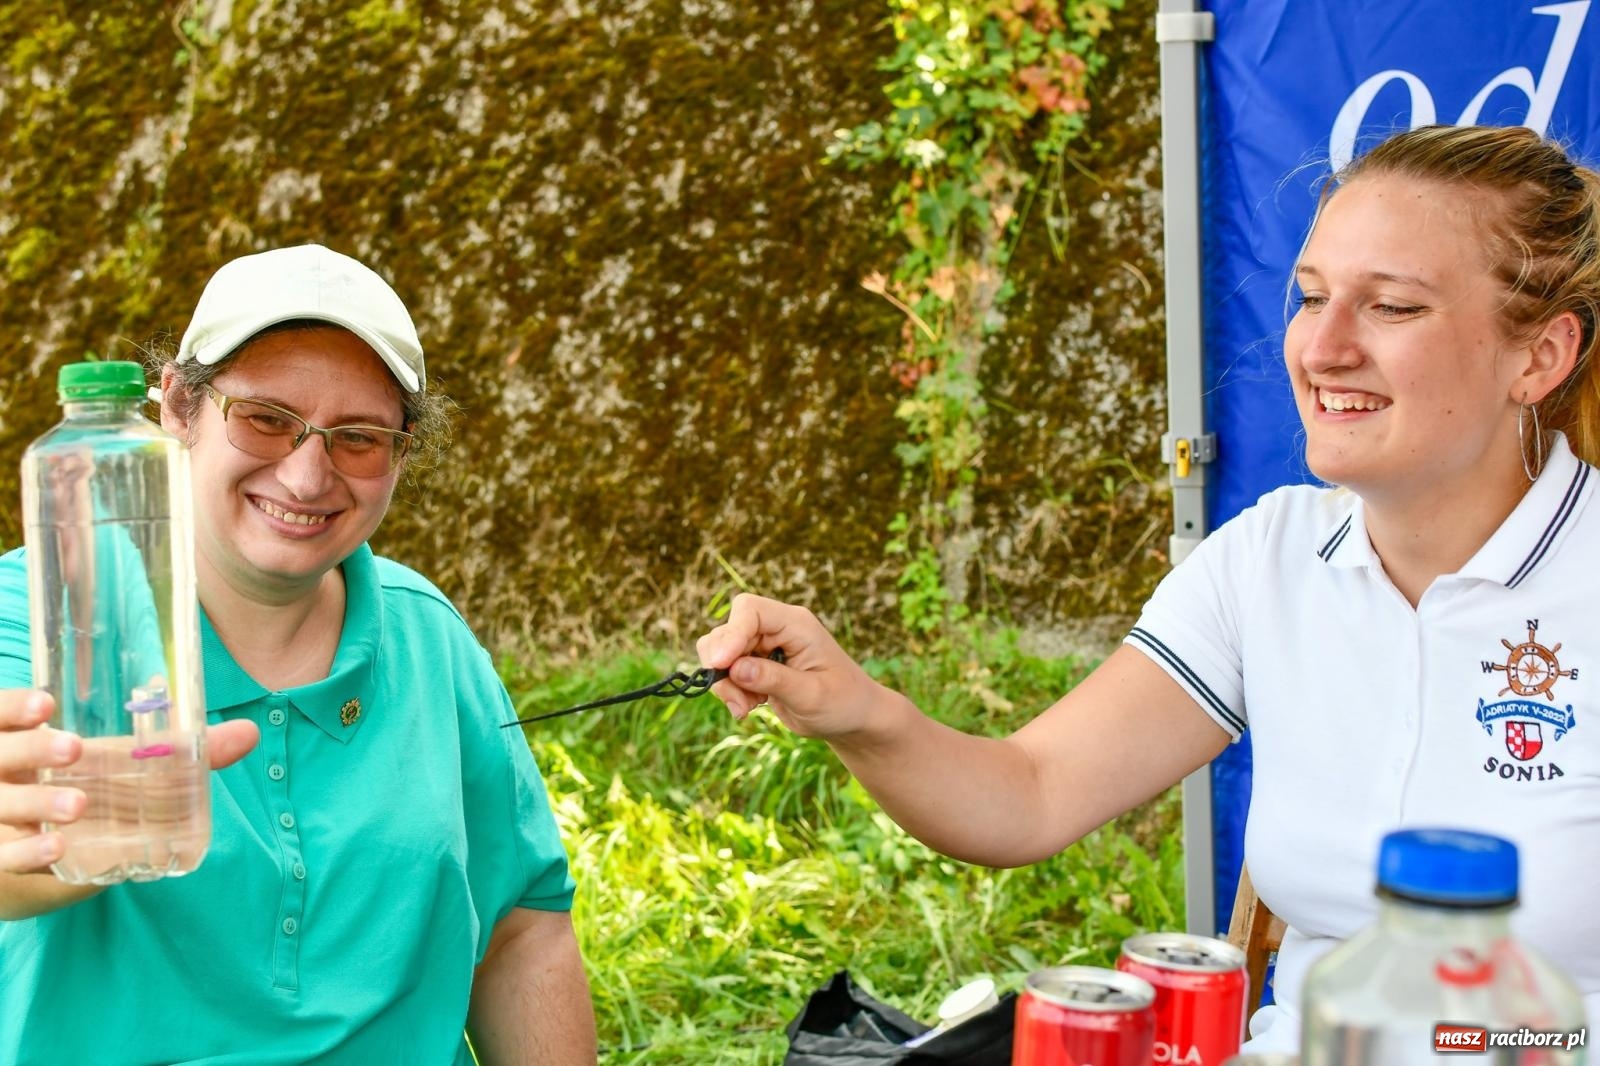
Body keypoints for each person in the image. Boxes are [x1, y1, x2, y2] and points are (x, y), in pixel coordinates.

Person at [697, 123, 1600, 1052]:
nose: (1322, 348)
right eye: (1311, 297)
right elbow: (1031, 794)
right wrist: (855, 710)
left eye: (1394, 307)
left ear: (1539, 356)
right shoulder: (1270, 558)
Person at [0, 244, 598, 1064]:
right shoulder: (36, 619)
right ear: (178, 405)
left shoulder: (427, 633)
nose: (308, 476)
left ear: (401, 454)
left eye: (359, 437)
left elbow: (520, 927)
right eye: (266, 418)